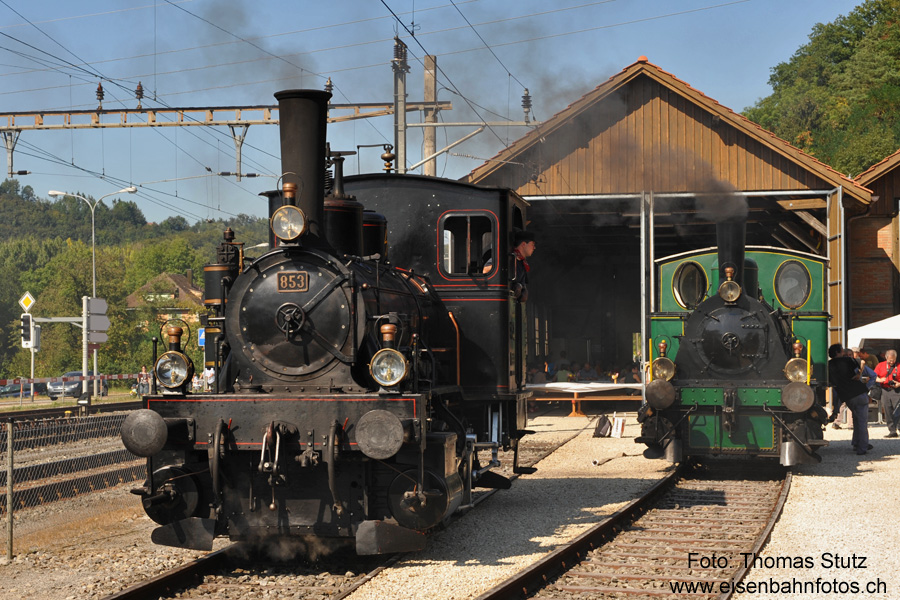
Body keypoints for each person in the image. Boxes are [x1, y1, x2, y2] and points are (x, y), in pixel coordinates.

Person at [828, 343, 871, 455]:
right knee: (861, 422)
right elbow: (862, 362)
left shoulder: (828, 365)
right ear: (838, 352)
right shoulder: (847, 360)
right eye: (842, 351)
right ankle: (862, 447)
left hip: (847, 396)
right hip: (858, 392)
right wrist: (859, 374)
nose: (844, 352)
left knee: (856, 419)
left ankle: (856, 443)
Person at [874, 349, 900, 438]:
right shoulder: (880, 365)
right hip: (885, 390)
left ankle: (899, 427)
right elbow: (874, 376)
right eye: (890, 360)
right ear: (886, 358)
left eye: (893, 360)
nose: (892, 362)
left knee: (898, 410)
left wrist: (899, 384)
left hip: (897, 390)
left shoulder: (899, 366)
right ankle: (892, 431)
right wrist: (880, 380)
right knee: (888, 410)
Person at [510, 230, 536, 302]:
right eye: (532, 244)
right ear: (524, 244)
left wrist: (521, 286)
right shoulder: (507, 258)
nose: (534, 248)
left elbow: (522, 282)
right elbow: (486, 271)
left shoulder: (522, 263)